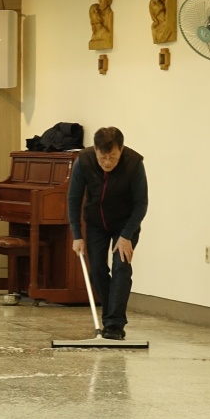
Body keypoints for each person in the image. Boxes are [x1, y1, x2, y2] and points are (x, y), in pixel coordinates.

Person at [67, 126, 148, 340]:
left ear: (122, 149)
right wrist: (77, 235)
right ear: (95, 150)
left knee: (121, 267)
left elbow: (141, 203)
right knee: (97, 271)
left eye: (113, 157)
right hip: (95, 224)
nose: (107, 162)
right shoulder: (84, 161)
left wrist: (126, 235)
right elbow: (74, 199)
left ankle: (114, 324)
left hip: (125, 224)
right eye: (102, 157)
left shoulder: (134, 163)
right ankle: (110, 314)